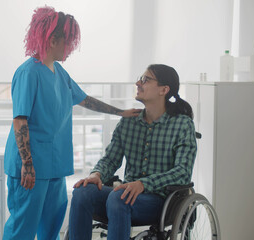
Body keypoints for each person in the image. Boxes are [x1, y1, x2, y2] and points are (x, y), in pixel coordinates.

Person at [3, 6, 141, 240]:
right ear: (53, 39)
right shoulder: (28, 73)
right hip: (32, 167)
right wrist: (27, 163)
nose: (71, 48)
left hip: (55, 166)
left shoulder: (59, 72)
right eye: (69, 42)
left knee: (51, 227)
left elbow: (84, 99)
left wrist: (121, 112)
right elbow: (20, 120)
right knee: (22, 228)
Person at [68, 64, 197, 240]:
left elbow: (182, 172)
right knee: (82, 192)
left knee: (119, 197)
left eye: (146, 79)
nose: (138, 83)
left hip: (161, 200)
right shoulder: (129, 122)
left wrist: (144, 183)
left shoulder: (182, 125)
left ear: (164, 89)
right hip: (125, 195)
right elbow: (110, 159)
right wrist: (96, 174)